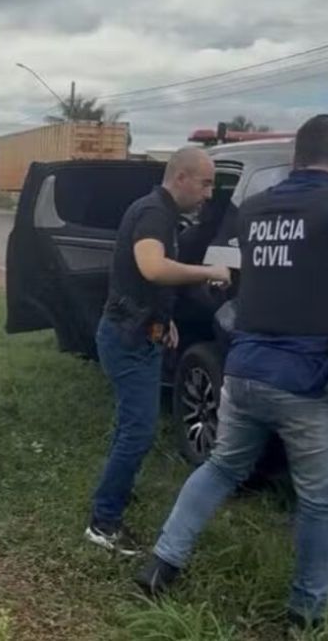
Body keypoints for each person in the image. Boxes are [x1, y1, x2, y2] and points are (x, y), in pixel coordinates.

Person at [135, 114, 328, 625]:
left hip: (245, 370)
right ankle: (307, 613)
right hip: (311, 382)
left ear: (298, 157)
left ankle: (162, 563)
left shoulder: (255, 209)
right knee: (324, 500)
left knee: (220, 467)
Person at [84, 147, 232, 555]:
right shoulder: (155, 213)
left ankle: (112, 496)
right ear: (180, 177)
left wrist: (163, 320)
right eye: (204, 184)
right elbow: (151, 267)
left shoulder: (160, 212)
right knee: (138, 431)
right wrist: (208, 271)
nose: (208, 195)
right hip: (126, 339)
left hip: (138, 332)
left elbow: (144, 282)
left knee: (129, 427)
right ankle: (103, 524)